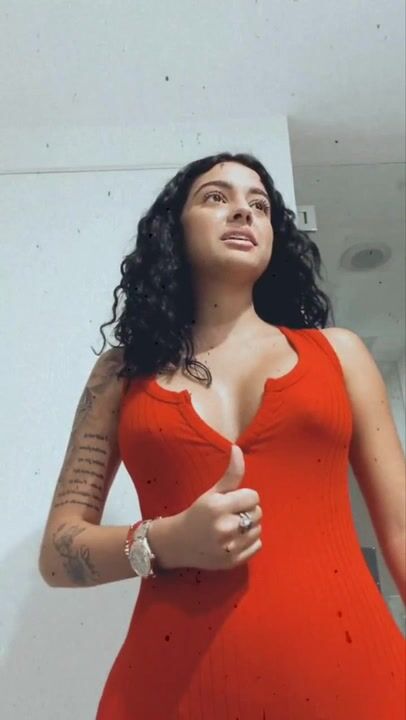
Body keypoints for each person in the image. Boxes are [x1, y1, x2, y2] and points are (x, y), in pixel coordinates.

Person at [39, 152, 405, 718]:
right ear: (173, 229)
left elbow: (401, 530)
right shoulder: (120, 374)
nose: (243, 211)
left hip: (356, 679)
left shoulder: (340, 355)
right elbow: (57, 553)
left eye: (259, 205)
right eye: (216, 197)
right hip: (173, 691)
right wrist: (164, 541)